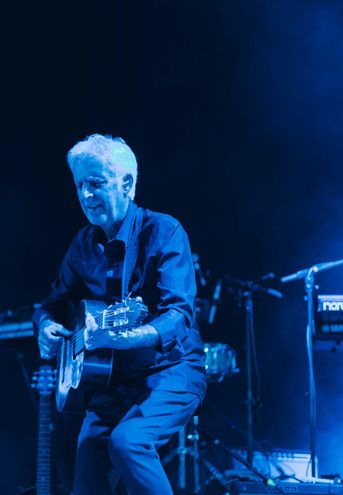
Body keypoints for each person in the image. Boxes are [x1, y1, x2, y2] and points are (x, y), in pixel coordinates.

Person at [34, 134, 206, 495]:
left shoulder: (163, 230)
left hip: (171, 370)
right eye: (80, 185)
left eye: (95, 183)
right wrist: (46, 326)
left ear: (126, 183)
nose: (85, 195)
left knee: (129, 442)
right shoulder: (83, 244)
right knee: (87, 476)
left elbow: (179, 314)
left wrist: (128, 337)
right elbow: (52, 303)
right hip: (112, 383)